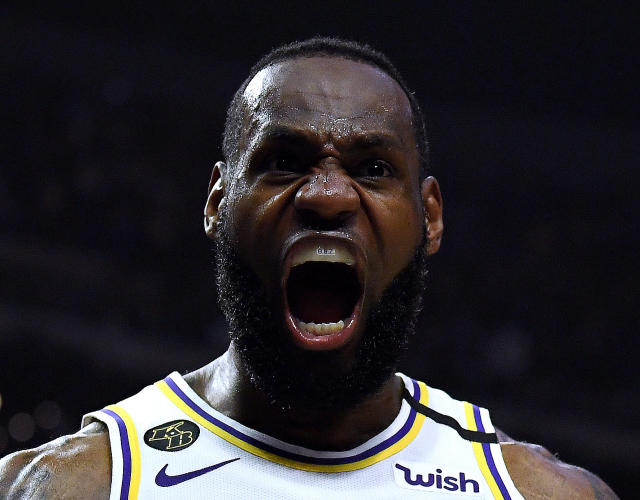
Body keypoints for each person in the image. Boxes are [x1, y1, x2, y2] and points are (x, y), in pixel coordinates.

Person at [0, 37, 618, 499]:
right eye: (283, 161)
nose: (327, 195)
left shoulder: (540, 493)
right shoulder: (66, 487)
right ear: (218, 204)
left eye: (373, 169)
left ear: (429, 217)